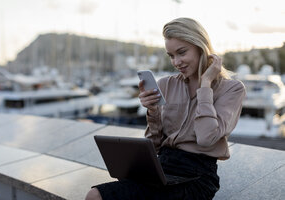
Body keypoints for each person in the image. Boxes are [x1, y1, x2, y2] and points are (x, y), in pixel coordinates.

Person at [85, 17, 246, 200]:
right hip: (161, 168)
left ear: (201, 47)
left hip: (198, 176)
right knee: (96, 194)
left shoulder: (232, 89)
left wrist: (205, 85)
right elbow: (153, 145)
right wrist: (152, 111)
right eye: (171, 56)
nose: (176, 62)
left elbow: (206, 138)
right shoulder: (166, 85)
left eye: (182, 52)